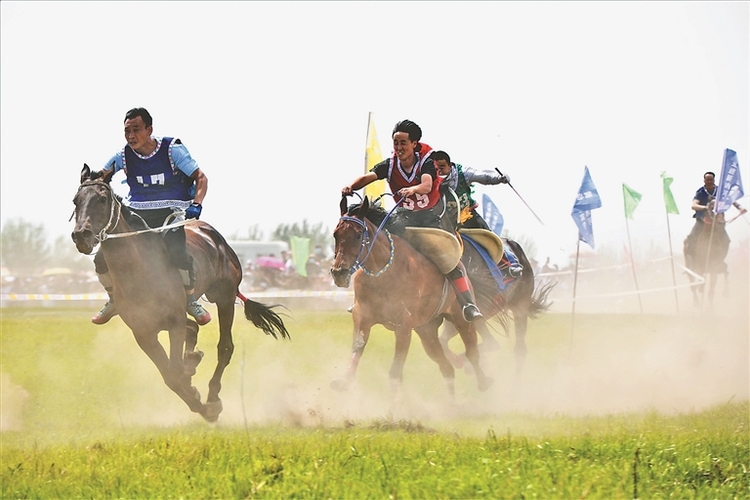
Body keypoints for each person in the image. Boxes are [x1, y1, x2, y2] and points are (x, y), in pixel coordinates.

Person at [341, 119, 482, 321]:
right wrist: (351, 187)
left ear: (414, 143)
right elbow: (369, 177)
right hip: (404, 218)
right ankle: (363, 298)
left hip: (431, 220)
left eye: (403, 143)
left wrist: (412, 189)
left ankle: (468, 303)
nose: (399, 147)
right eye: (396, 143)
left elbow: (426, 185)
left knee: (449, 259)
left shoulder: (427, 162)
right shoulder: (389, 165)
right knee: (375, 244)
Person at [89, 107, 212, 326]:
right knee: (101, 258)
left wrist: (197, 204)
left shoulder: (172, 150)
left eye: (136, 130)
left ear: (149, 129)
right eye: (127, 131)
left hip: (170, 212)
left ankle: (191, 299)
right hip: (137, 213)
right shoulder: (123, 156)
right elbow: (101, 175)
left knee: (177, 251)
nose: (131, 136)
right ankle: (113, 299)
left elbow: (200, 177)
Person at [433, 150, 522, 277]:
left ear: (449, 164)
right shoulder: (431, 178)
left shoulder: (463, 173)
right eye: (436, 168)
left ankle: (510, 265)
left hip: (468, 217)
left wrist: (498, 178)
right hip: (447, 223)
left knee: (491, 238)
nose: (439, 172)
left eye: (442, 168)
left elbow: (482, 175)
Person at [684, 171, 745, 258]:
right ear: (704, 181)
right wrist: (705, 207)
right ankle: (692, 261)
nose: (709, 182)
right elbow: (694, 205)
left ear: (714, 180)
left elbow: (730, 200)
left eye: (711, 180)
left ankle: (720, 261)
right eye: (707, 180)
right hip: (702, 220)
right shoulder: (701, 192)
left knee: (725, 241)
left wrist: (740, 208)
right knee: (692, 238)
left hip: (717, 221)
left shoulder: (720, 191)